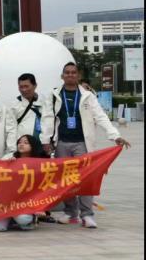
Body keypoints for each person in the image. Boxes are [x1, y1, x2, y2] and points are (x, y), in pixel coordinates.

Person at [51, 62, 130, 229]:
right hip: (62, 143)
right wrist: (46, 141)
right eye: (67, 72)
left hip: (82, 143)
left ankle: (87, 214)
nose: (70, 75)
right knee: (65, 180)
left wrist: (115, 135)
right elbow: (47, 118)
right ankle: (71, 213)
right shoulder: (54, 95)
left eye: (73, 72)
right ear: (62, 76)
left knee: (85, 178)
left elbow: (100, 116)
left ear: (78, 75)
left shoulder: (87, 96)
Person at [12, 73, 54, 156]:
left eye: (26, 86)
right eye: (21, 87)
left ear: (35, 85)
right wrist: (13, 148)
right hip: (24, 148)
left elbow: (48, 121)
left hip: (42, 145)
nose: (24, 90)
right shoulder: (14, 105)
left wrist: (46, 141)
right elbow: (11, 128)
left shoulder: (45, 101)